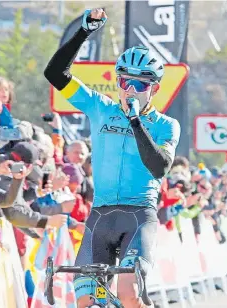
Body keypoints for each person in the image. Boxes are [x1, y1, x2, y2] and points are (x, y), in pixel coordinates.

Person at [44, 8, 180, 308]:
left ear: (154, 88)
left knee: (130, 296)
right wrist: (84, 31)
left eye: (140, 84)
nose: (129, 90)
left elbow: (159, 166)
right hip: (101, 215)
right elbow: (55, 74)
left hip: (138, 217)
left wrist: (135, 122)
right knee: (87, 301)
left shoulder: (166, 125)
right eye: (123, 82)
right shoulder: (100, 107)